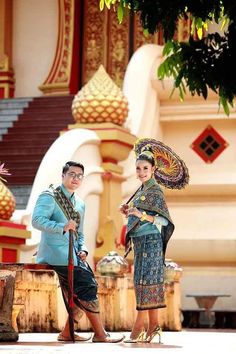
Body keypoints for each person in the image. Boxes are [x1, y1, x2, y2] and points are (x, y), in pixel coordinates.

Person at [32, 161, 123, 343]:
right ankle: (100, 334)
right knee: (87, 286)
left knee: (83, 289)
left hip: (73, 256)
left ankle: (67, 333)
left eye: (79, 176)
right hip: (54, 254)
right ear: (63, 176)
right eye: (72, 174)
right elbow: (37, 220)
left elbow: (80, 234)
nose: (76, 178)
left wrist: (83, 249)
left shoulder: (80, 203)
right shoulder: (50, 196)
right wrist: (62, 226)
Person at [119, 148, 174, 343]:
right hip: (140, 242)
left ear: (153, 169)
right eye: (138, 168)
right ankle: (153, 326)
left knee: (146, 283)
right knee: (144, 283)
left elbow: (165, 221)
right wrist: (128, 211)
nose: (141, 172)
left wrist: (140, 215)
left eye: (145, 168)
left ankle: (139, 327)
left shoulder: (155, 191)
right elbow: (138, 215)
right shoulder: (140, 191)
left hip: (152, 241)